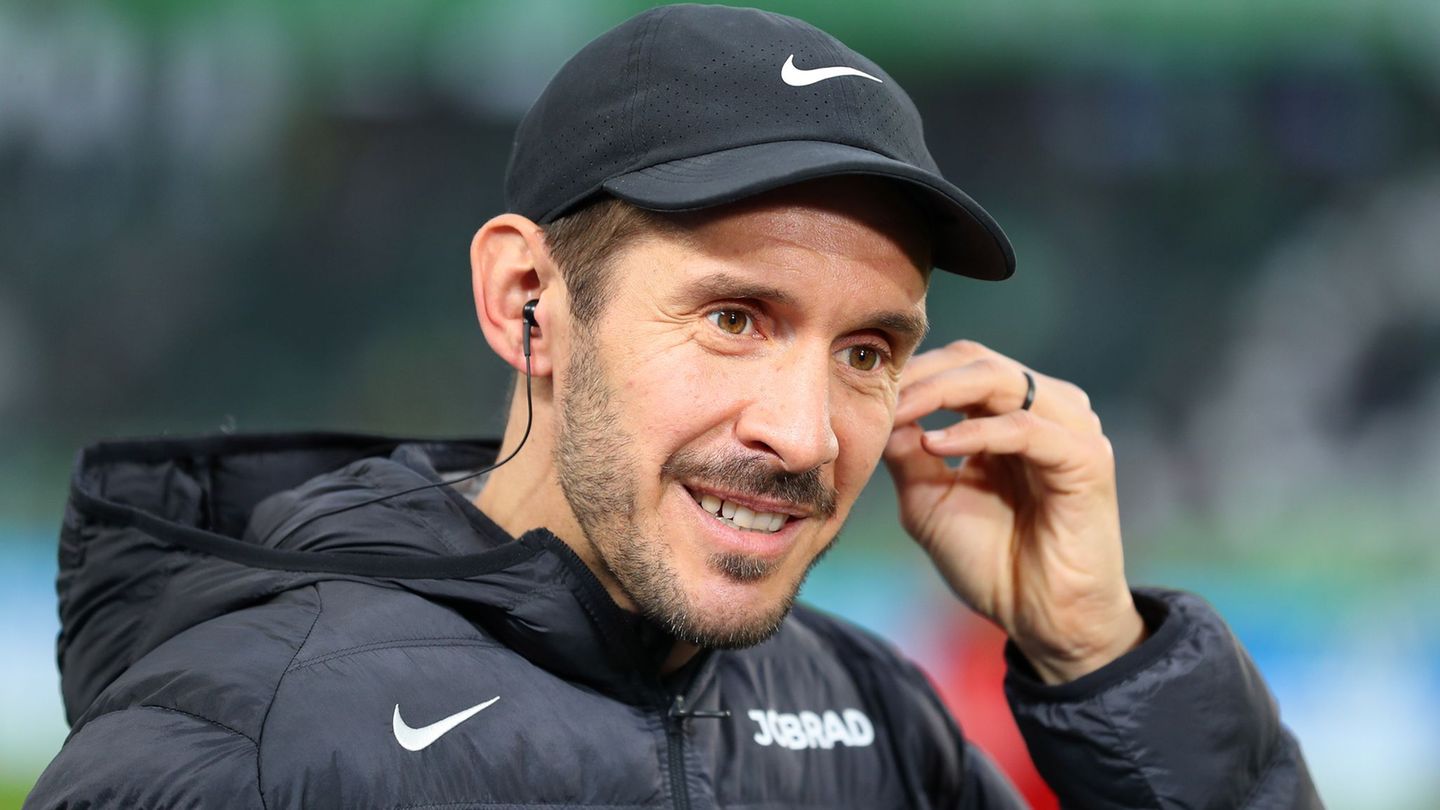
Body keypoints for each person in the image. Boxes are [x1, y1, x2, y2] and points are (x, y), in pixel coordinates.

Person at [27, 5, 1320, 808]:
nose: (805, 433)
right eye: (735, 317)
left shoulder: (867, 716)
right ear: (527, 300)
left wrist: (1106, 657)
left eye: (869, 349)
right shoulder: (251, 741)